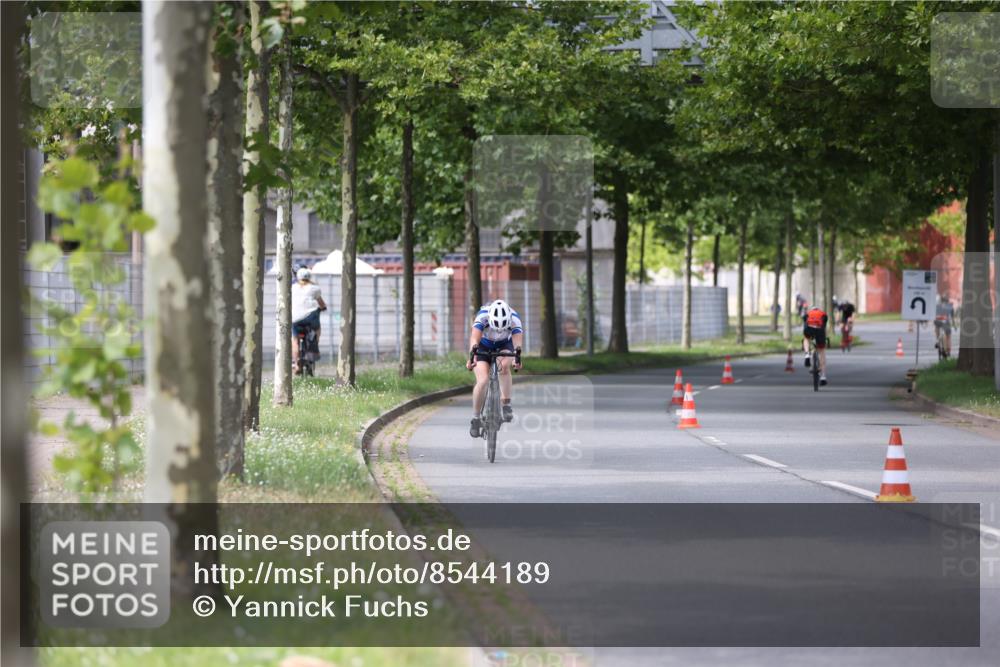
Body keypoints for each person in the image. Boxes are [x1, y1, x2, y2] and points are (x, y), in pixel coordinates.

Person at [466, 299, 523, 437]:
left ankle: (506, 404)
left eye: (503, 327)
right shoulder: (482, 316)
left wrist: (517, 358)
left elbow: (517, 344)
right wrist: (472, 358)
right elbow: (474, 339)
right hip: (483, 345)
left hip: (505, 345)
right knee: (483, 380)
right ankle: (476, 418)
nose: (498, 329)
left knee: (503, 367)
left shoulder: (515, 319)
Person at [291, 267, 326, 373]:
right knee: (317, 330)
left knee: (295, 341)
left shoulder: (292, 288)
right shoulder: (314, 288)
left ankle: (296, 364)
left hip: (296, 319)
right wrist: (323, 308)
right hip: (310, 319)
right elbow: (321, 303)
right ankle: (315, 343)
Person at [802, 305, 828, 385]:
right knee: (822, 352)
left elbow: (805, 325)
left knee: (806, 338)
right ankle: (823, 377)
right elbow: (824, 327)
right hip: (820, 331)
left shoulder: (808, 313)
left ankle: (807, 354)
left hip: (809, 329)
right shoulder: (823, 314)